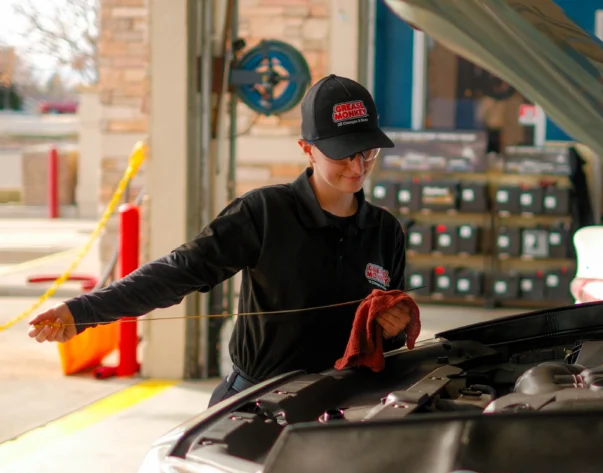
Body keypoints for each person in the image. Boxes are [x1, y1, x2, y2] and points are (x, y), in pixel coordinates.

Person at [28, 74, 413, 406]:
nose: (357, 167)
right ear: (308, 149)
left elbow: (381, 342)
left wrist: (392, 330)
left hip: (342, 406)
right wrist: (83, 312)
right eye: (343, 154)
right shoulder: (264, 213)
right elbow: (177, 272)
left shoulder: (385, 231)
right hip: (260, 405)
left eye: (367, 153)